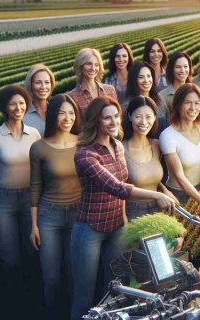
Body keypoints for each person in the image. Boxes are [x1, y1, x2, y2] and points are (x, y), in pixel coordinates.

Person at [71, 96, 177, 320]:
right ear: (95, 121)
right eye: (106, 117)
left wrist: (160, 188)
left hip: (117, 227)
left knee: (116, 289)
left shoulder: (117, 145)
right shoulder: (85, 154)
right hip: (90, 229)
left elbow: (126, 183)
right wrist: (156, 194)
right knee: (84, 296)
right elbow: (117, 187)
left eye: (115, 116)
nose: (112, 122)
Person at [29, 94, 81, 320]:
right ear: (53, 116)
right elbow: (35, 187)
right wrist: (34, 225)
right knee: (51, 277)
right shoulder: (39, 147)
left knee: (73, 273)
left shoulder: (83, 142)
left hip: (78, 215)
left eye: (71, 113)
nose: (67, 118)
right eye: (62, 113)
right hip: (49, 216)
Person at [0, 85, 41, 306]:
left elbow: (40, 172)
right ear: (5, 107)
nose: (18, 108)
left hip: (31, 199)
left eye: (21, 103)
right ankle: (13, 300)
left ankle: (32, 299)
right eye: (13, 104)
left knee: (33, 251)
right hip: (5, 201)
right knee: (9, 257)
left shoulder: (34, 134)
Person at [159, 84, 200, 220]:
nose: (193, 108)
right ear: (178, 105)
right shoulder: (168, 136)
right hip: (177, 194)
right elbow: (179, 176)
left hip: (199, 189)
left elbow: (197, 158)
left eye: (197, 103)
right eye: (188, 103)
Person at [123, 96, 177, 220]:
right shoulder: (121, 149)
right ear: (130, 116)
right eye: (138, 117)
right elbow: (119, 188)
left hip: (158, 207)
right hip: (134, 211)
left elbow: (150, 176)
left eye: (148, 117)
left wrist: (164, 190)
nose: (143, 122)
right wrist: (123, 219)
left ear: (154, 118)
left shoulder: (156, 145)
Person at [68, 48, 117, 118]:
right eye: (89, 64)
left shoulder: (110, 90)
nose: (93, 68)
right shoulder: (72, 97)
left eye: (96, 65)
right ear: (80, 66)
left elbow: (117, 117)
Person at [124, 61, 169, 134]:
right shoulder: (127, 106)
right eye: (141, 77)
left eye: (149, 76)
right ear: (133, 80)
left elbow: (168, 125)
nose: (146, 80)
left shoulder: (160, 100)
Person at [23, 64, 56, 136]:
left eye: (47, 82)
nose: (43, 87)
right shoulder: (22, 116)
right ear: (30, 85)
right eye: (38, 82)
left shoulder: (57, 110)